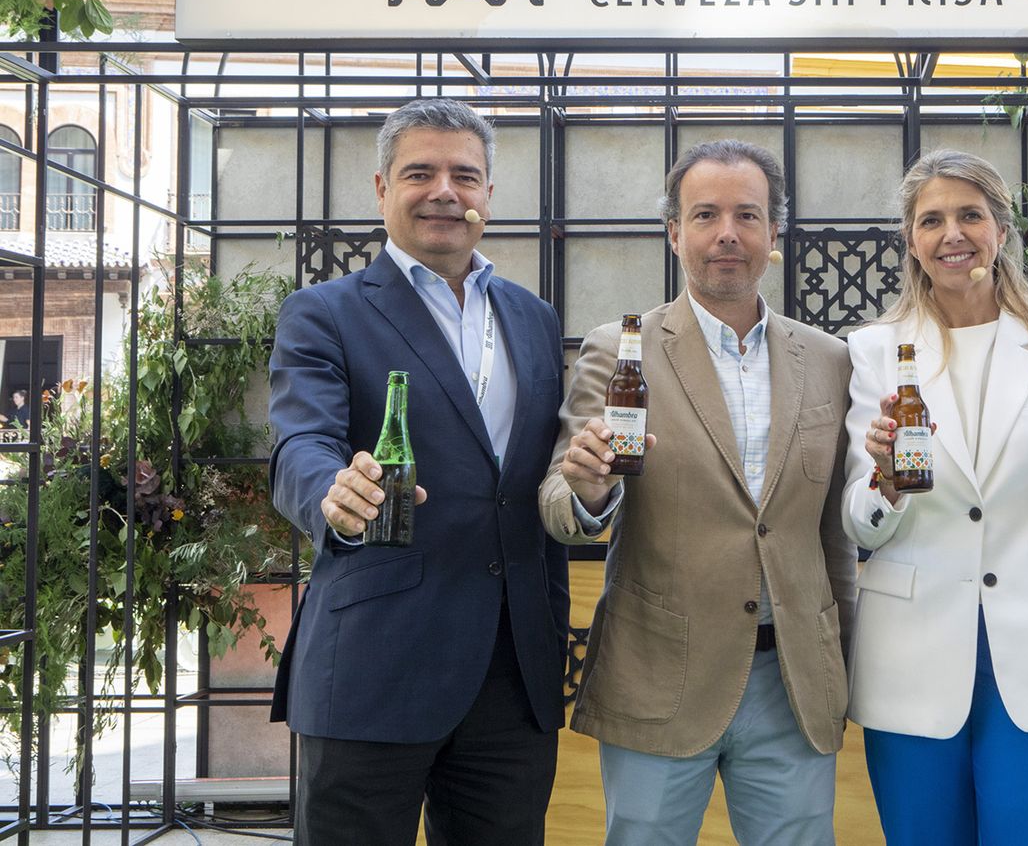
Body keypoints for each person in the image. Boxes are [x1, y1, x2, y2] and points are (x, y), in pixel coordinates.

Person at [268, 99, 569, 846]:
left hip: (512, 670)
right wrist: (332, 496)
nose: (445, 191)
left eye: (465, 175)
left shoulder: (533, 318)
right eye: (420, 173)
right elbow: (300, 444)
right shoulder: (324, 313)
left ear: (489, 196)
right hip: (376, 663)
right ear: (381, 189)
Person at [539, 139, 856, 846]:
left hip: (793, 681)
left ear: (775, 232)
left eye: (748, 215)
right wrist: (588, 489)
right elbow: (561, 508)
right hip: (659, 674)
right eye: (705, 214)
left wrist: (848, 665)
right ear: (675, 232)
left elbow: (830, 535)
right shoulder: (619, 350)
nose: (727, 234)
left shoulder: (831, 360)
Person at [843, 148, 1028, 846]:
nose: (953, 234)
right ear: (911, 241)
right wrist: (883, 481)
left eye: (970, 215)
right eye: (931, 220)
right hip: (908, 656)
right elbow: (859, 523)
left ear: (1001, 230)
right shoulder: (874, 349)